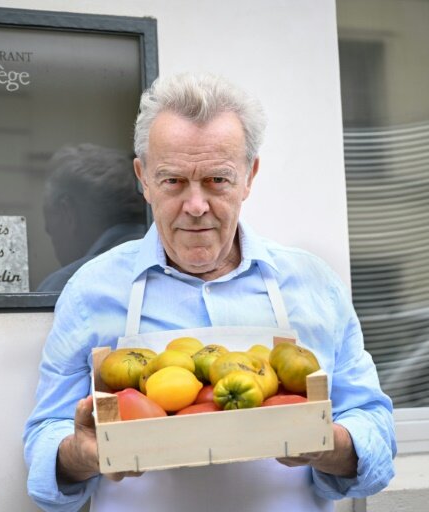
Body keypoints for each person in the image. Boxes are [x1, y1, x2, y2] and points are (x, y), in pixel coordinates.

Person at [24, 73, 396, 511]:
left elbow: (374, 428)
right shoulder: (92, 290)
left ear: (249, 176)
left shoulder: (314, 284)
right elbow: (46, 435)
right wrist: (81, 455)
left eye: (217, 179)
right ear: (144, 179)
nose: (196, 206)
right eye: (173, 181)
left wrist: (325, 443)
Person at [36, 143, 147, 292]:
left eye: (50, 230)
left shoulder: (66, 286)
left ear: (67, 213)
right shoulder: (172, 264)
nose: (53, 243)